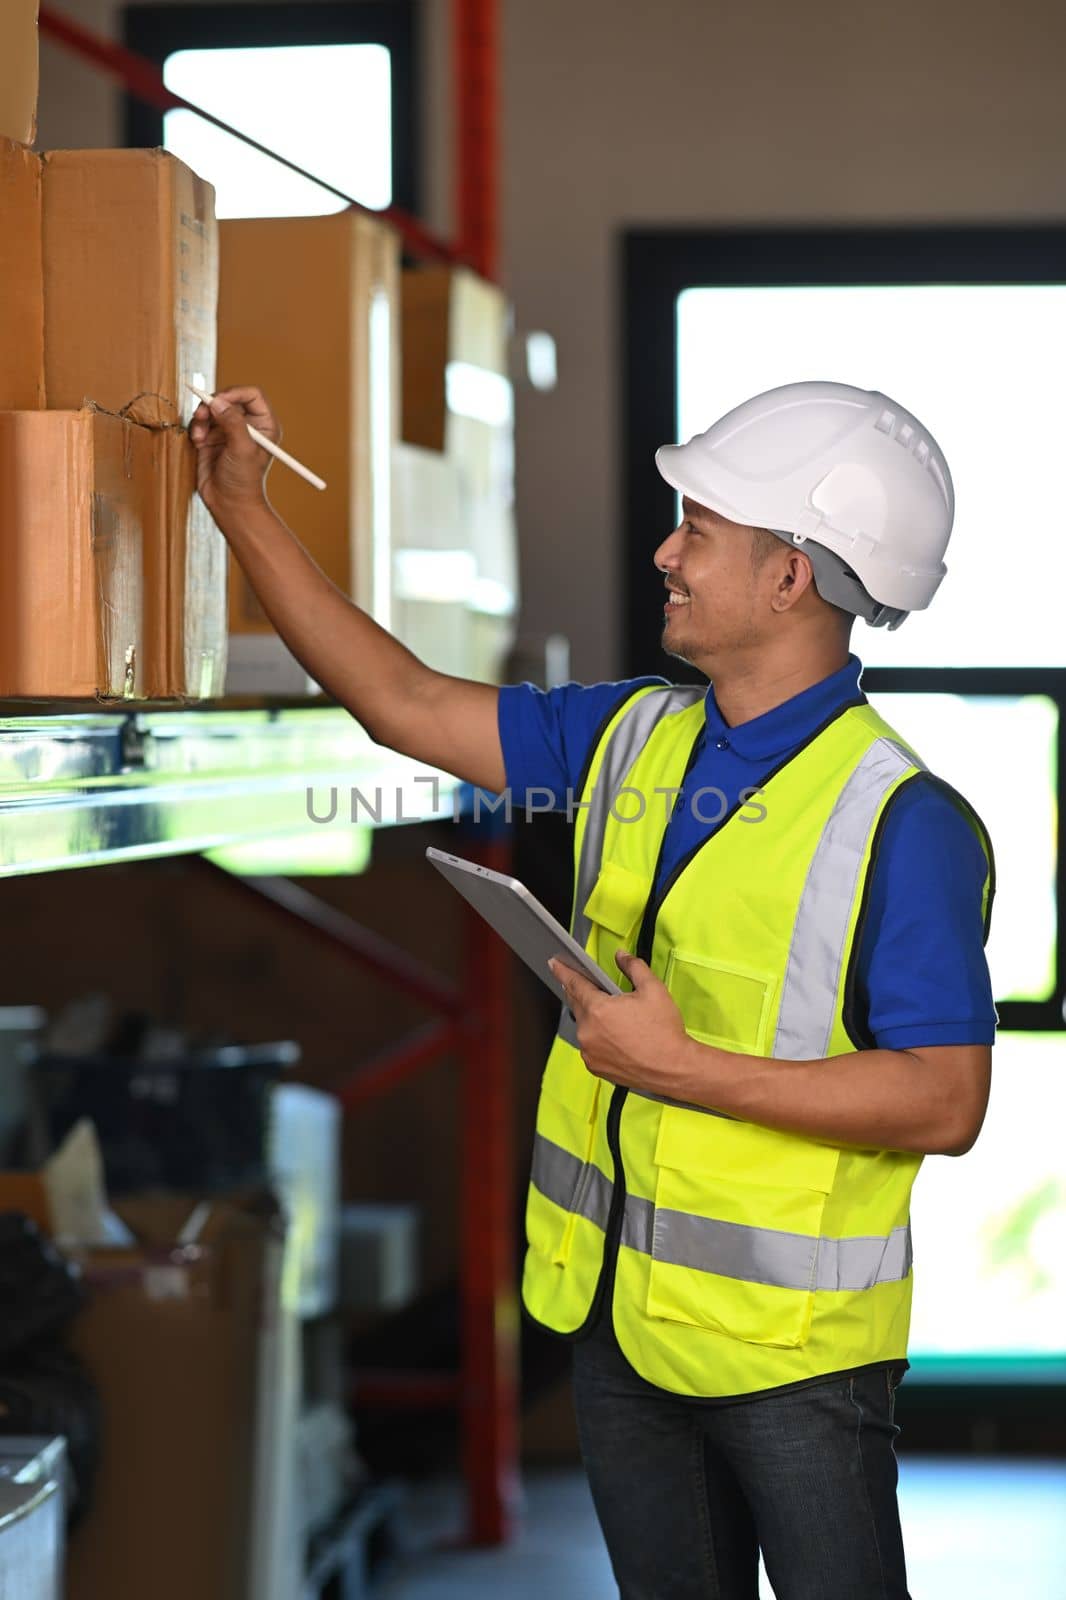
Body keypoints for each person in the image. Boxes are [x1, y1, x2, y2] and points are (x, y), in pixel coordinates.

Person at [190, 379, 996, 1600]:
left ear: (790, 576)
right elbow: (403, 704)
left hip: (792, 1358)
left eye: (699, 532)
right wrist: (240, 507)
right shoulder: (632, 734)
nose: (665, 554)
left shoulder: (904, 821)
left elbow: (945, 1102)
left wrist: (680, 1065)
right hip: (619, 1323)